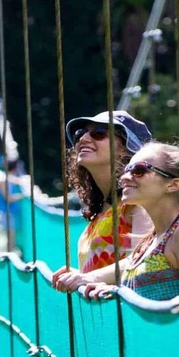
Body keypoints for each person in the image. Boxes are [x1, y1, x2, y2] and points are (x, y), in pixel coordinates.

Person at [83, 142, 179, 300]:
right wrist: (109, 290)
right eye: (125, 170)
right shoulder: (149, 242)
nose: (123, 178)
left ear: (173, 184)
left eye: (139, 170)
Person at [51, 110, 153, 292]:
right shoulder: (103, 209)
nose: (83, 139)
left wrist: (88, 276)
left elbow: (143, 261)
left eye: (98, 133)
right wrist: (80, 274)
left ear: (126, 149)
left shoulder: (140, 202)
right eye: (80, 133)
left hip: (131, 317)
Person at [0, 158, 29, 252]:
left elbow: (19, 180)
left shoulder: (10, 179)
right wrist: (23, 195)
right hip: (6, 213)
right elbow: (8, 198)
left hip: (11, 213)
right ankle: (8, 258)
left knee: (12, 238)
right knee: (10, 239)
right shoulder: (3, 181)